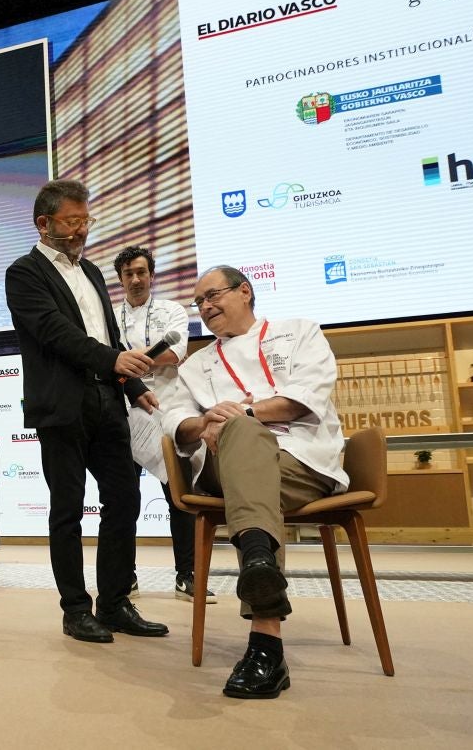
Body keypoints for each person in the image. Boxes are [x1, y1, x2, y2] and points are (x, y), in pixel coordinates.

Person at [161, 265, 347, 699]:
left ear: (245, 291)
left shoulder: (300, 332)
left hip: (301, 462)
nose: (205, 307)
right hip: (226, 467)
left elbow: (308, 396)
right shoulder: (196, 364)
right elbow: (172, 418)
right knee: (240, 435)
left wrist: (241, 415)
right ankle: (262, 598)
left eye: (213, 295)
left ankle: (263, 620)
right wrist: (202, 421)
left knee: (242, 431)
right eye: (199, 303)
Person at [3, 179, 169, 643]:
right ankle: (76, 609)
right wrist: (112, 360)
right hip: (62, 406)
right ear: (44, 223)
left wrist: (132, 385)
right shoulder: (24, 273)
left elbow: (109, 336)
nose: (81, 230)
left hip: (107, 402)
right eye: (72, 222)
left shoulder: (94, 271)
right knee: (67, 511)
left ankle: (115, 603)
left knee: (125, 500)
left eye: (85, 221)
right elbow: (56, 333)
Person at [113, 245, 213, 604]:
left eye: (142, 272)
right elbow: (109, 360)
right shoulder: (111, 316)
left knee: (179, 496)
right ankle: (126, 577)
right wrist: (128, 366)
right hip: (124, 413)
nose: (136, 279)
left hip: (169, 410)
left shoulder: (172, 310)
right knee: (124, 498)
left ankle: (186, 576)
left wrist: (129, 364)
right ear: (121, 279)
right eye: (129, 274)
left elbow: (175, 353)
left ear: (151, 275)